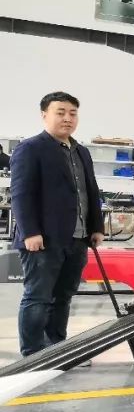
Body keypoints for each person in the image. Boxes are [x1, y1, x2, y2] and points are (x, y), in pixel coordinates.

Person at [11, 92, 105, 357]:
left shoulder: (81, 151)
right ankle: (32, 354)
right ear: (45, 115)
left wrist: (97, 227)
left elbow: (90, 191)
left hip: (78, 238)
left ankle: (56, 349)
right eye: (60, 112)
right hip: (43, 239)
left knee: (63, 297)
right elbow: (21, 194)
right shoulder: (30, 148)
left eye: (72, 113)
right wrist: (30, 232)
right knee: (38, 297)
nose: (67, 118)